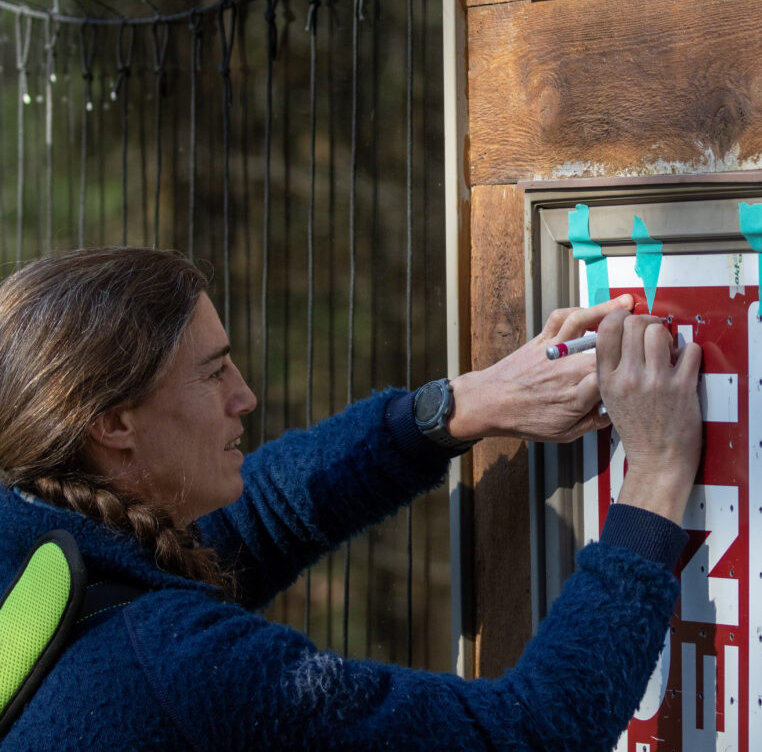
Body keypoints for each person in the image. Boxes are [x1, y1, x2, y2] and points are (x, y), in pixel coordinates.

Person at [0, 246, 703, 750]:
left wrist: (459, 406)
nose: (245, 396)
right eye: (213, 374)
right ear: (113, 423)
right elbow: (534, 732)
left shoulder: (31, 539)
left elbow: (265, 514)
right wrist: (657, 477)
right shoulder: (179, 668)